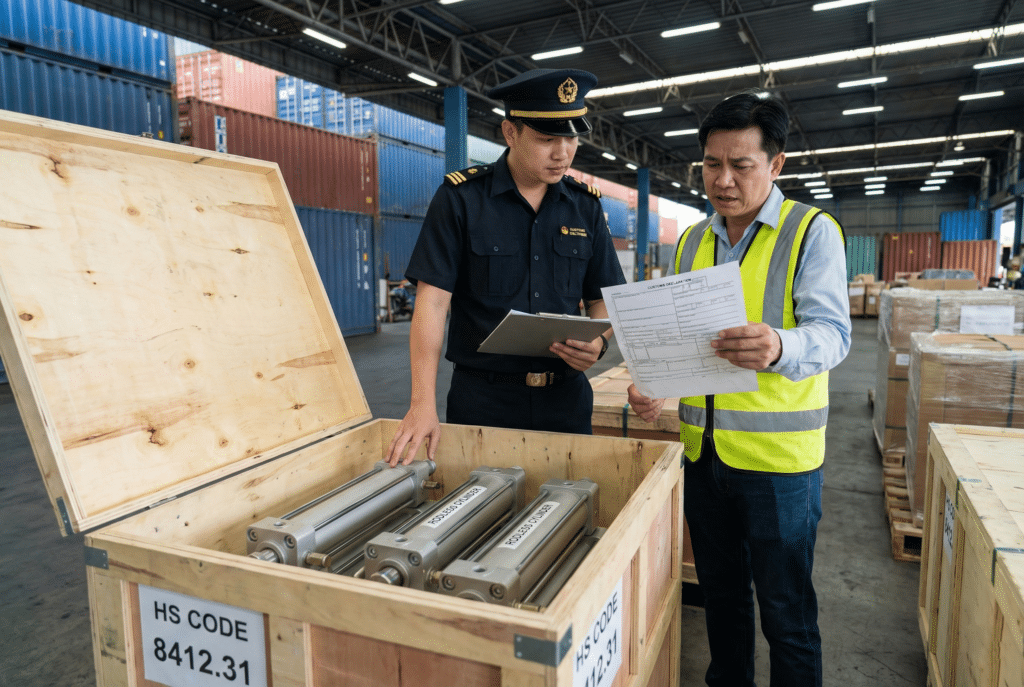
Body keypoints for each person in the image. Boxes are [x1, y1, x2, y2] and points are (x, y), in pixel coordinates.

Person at [628, 90, 851, 686]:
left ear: (776, 164)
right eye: (711, 164)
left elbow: (834, 335)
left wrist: (780, 345)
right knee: (722, 602)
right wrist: (654, 386)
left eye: (740, 165)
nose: (722, 180)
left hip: (779, 466)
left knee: (786, 614)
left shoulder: (811, 232)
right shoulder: (691, 241)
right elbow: (675, 337)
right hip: (704, 458)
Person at [385, 68, 626, 466]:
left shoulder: (585, 207)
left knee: (570, 499)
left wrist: (598, 343)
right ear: (511, 133)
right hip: (484, 402)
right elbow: (432, 303)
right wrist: (421, 403)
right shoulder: (461, 199)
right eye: (547, 139)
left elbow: (604, 299)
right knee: (482, 498)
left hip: (566, 401)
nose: (562, 153)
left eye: (571, 138)